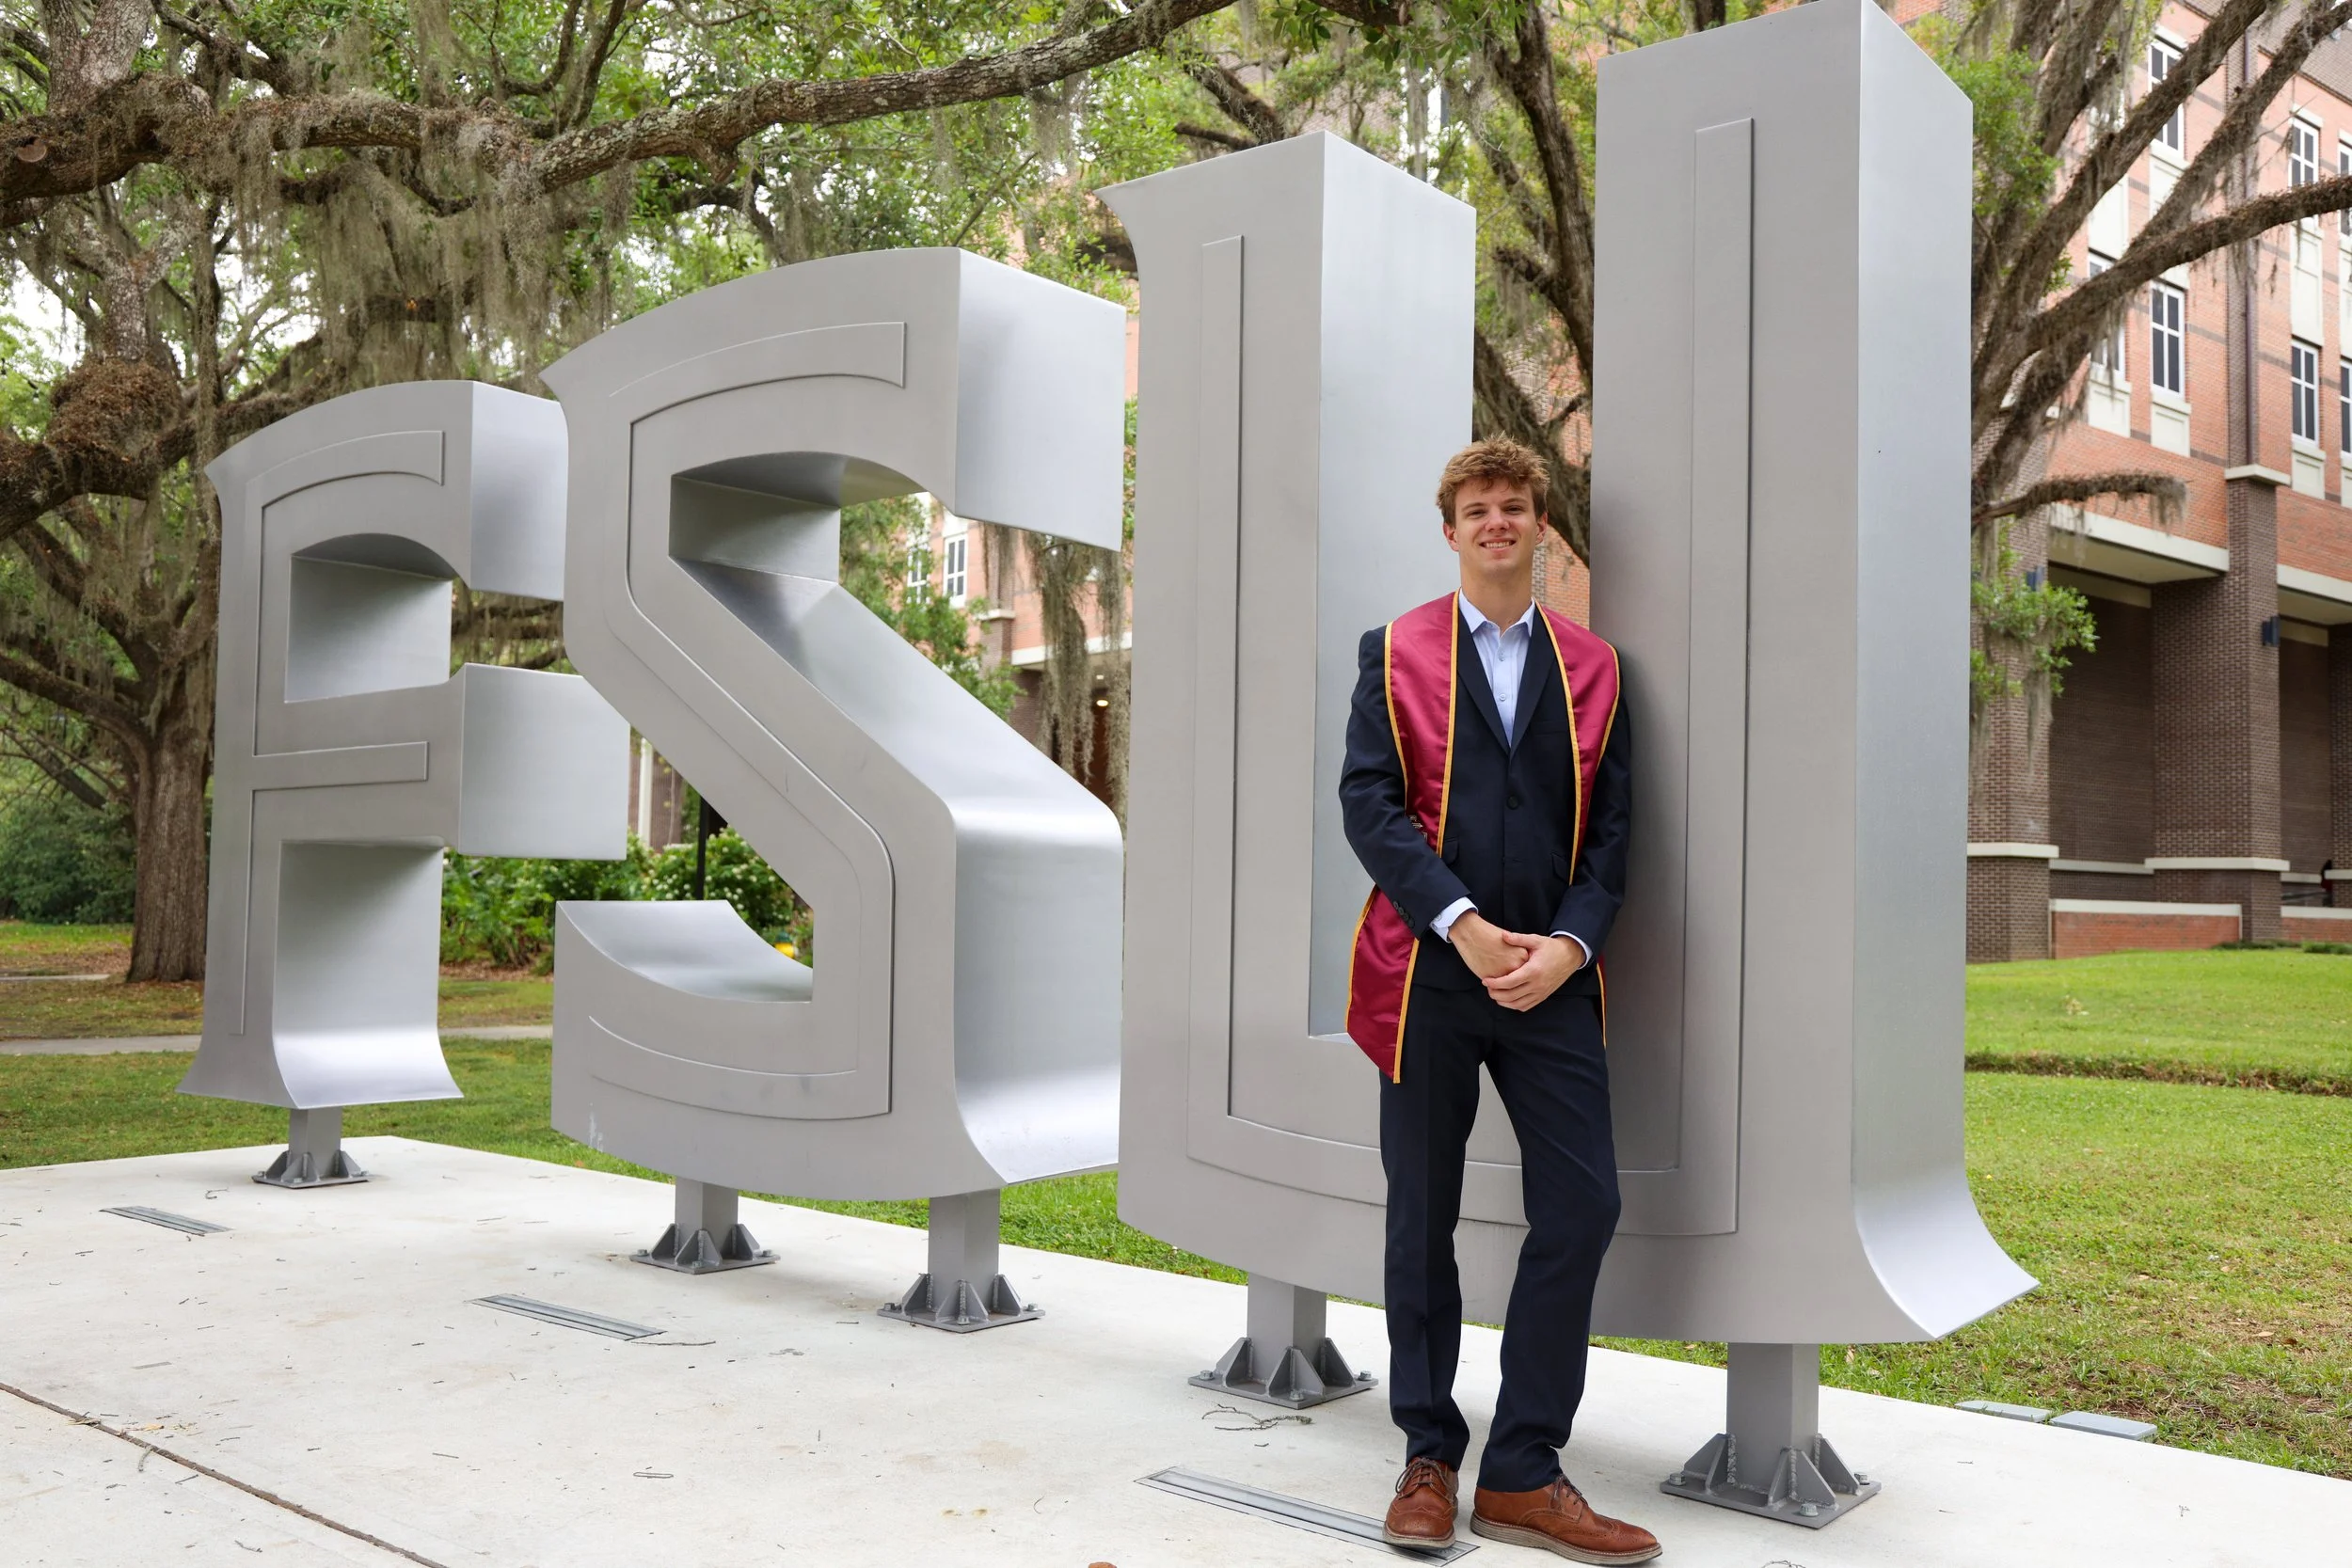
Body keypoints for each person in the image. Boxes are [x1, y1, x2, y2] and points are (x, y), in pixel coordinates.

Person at [1339, 438, 1656, 1562]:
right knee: (1419, 1215)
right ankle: (1428, 1452)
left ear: (1537, 526)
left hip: (1553, 982)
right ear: (1450, 528)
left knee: (1582, 1206)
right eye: (1477, 507)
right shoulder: (1393, 654)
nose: (1496, 521)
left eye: (1514, 506)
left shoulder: (1597, 669)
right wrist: (1462, 925)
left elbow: (1615, 838)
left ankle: (1523, 1468)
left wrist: (1569, 945)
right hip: (1429, 972)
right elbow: (1369, 809)